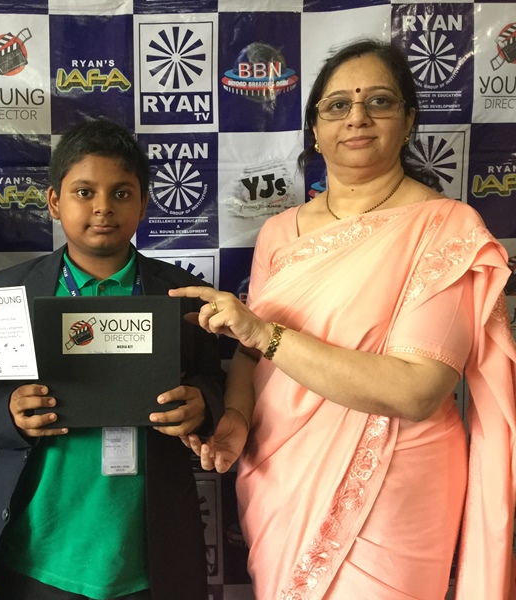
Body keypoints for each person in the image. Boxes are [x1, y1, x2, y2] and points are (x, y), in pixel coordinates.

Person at [170, 39, 516, 599]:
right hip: (280, 470)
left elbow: (417, 390)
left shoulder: (447, 227)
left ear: (408, 121)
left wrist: (264, 333)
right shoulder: (279, 232)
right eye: (337, 105)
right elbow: (252, 356)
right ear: (315, 129)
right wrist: (236, 417)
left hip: (396, 480)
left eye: (378, 101)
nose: (357, 116)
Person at [0, 118, 225, 600]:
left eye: (122, 193)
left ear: (144, 203)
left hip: (146, 550)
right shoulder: (6, 293)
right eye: (84, 192)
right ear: (54, 202)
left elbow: (214, 377)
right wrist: (10, 413)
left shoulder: (183, 295)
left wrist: (202, 404)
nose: (103, 207)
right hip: (38, 548)